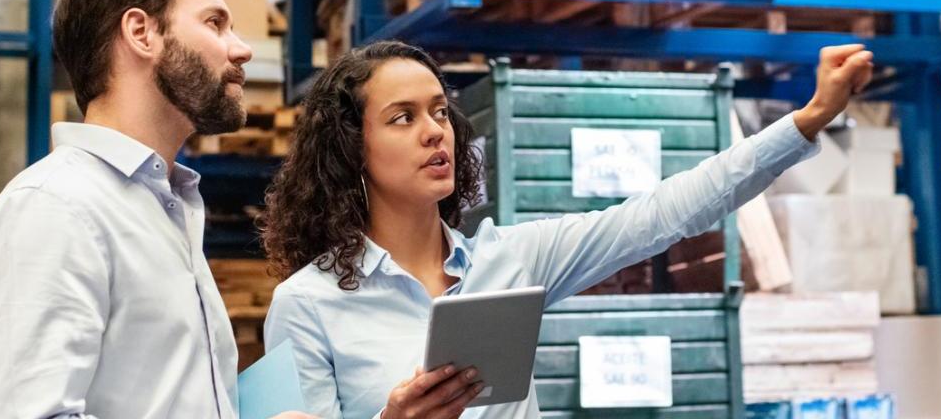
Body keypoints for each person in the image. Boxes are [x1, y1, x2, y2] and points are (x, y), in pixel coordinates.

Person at [261, 40, 874, 419]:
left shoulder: (513, 262)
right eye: (403, 118)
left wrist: (809, 119)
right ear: (351, 150)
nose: (434, 131)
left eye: (440, 111)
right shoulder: (305, 305)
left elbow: (666, 212)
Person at [0, 0, 309, 419]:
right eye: (215, 23)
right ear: (142, 32)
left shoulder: (161, 206)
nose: (240, 50)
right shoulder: (54, 209)